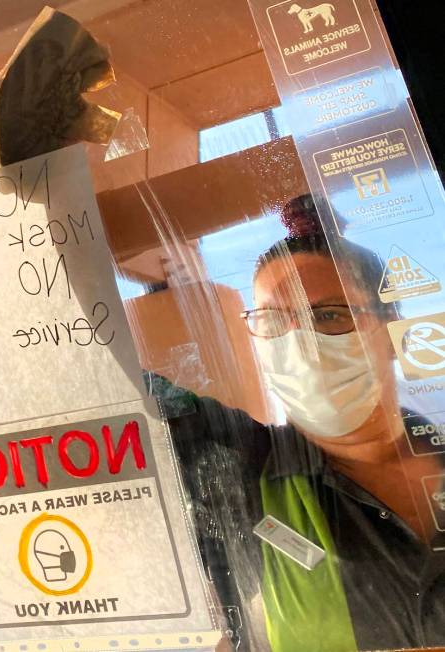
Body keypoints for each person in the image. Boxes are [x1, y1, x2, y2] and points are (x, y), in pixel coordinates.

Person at [146, 194, 445, 652]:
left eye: (328, 316)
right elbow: (112, 378)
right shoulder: (244, 464)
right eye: (270, 321)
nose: (298, 344)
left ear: (391, 326)